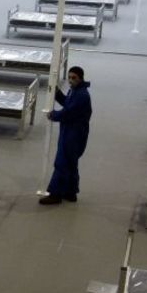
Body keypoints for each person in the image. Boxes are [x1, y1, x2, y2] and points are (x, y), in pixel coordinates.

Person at [40, 66, 92, 205]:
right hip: (72, 131)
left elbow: (68, 112)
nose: (70, 80)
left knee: (62, 162)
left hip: (73, 134)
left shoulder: (81, 95)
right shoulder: (75, 91)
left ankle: (55, 194)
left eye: (73, 78)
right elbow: (67, 103)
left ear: (81, 78)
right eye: (69, 77)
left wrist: (53, 115)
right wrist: (57, 93)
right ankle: (70, 192)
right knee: (70, 163)